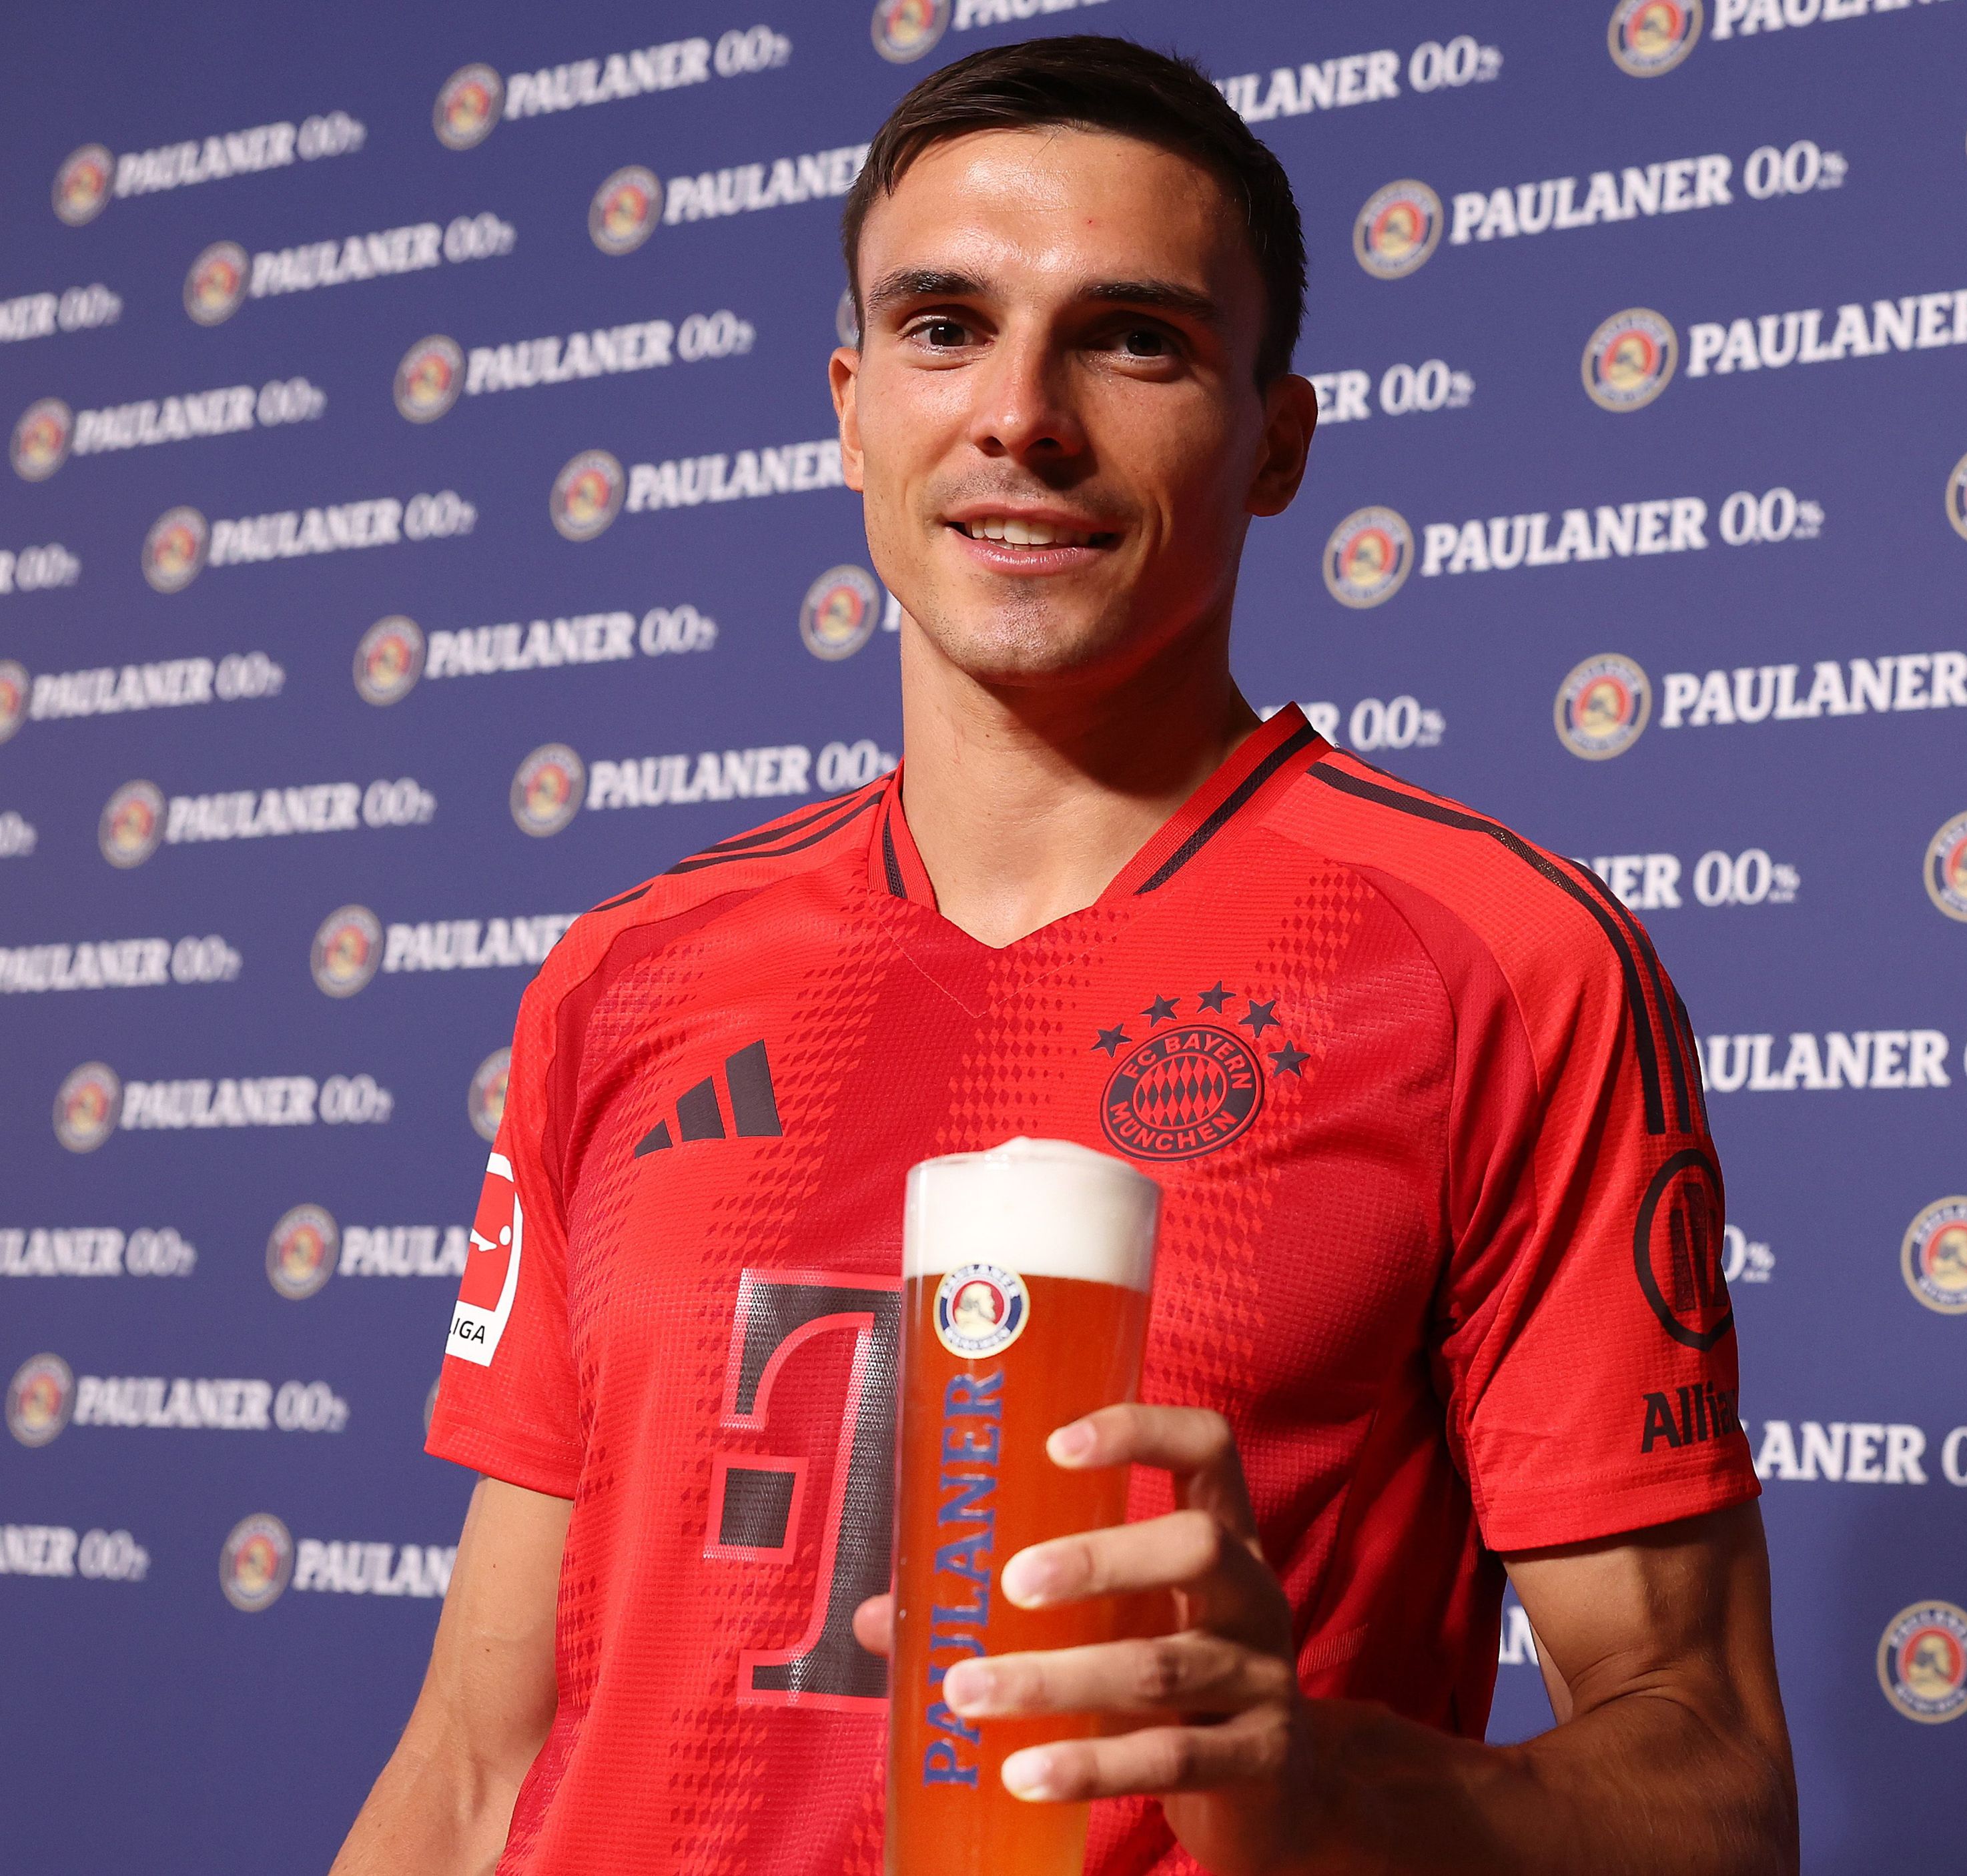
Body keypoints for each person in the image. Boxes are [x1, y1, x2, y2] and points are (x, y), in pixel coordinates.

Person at [332, 36, 1788, 1876]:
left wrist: (1316, 1775)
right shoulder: (629, 970)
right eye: (946, 327)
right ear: (852, 408)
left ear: (1276, 443)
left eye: (1134, 336)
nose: (1021, 411)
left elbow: (1718, 1794)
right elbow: (477, 1768)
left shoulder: (1503, 962)